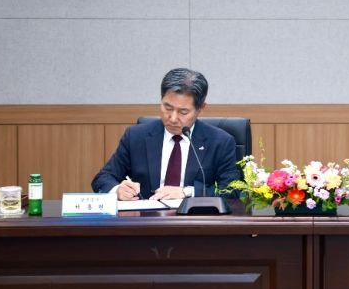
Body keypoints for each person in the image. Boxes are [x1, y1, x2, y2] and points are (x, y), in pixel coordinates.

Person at [92, 68, 241, 200]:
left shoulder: (220, 142)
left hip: (194, 219)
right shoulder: (136, 137)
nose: (173, 118)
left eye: (183, 112)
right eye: (167, 108)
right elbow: (103, 178)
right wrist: (117, 190)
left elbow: (232, 191)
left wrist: (187, 192)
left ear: (201, 108)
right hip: (146, 219)